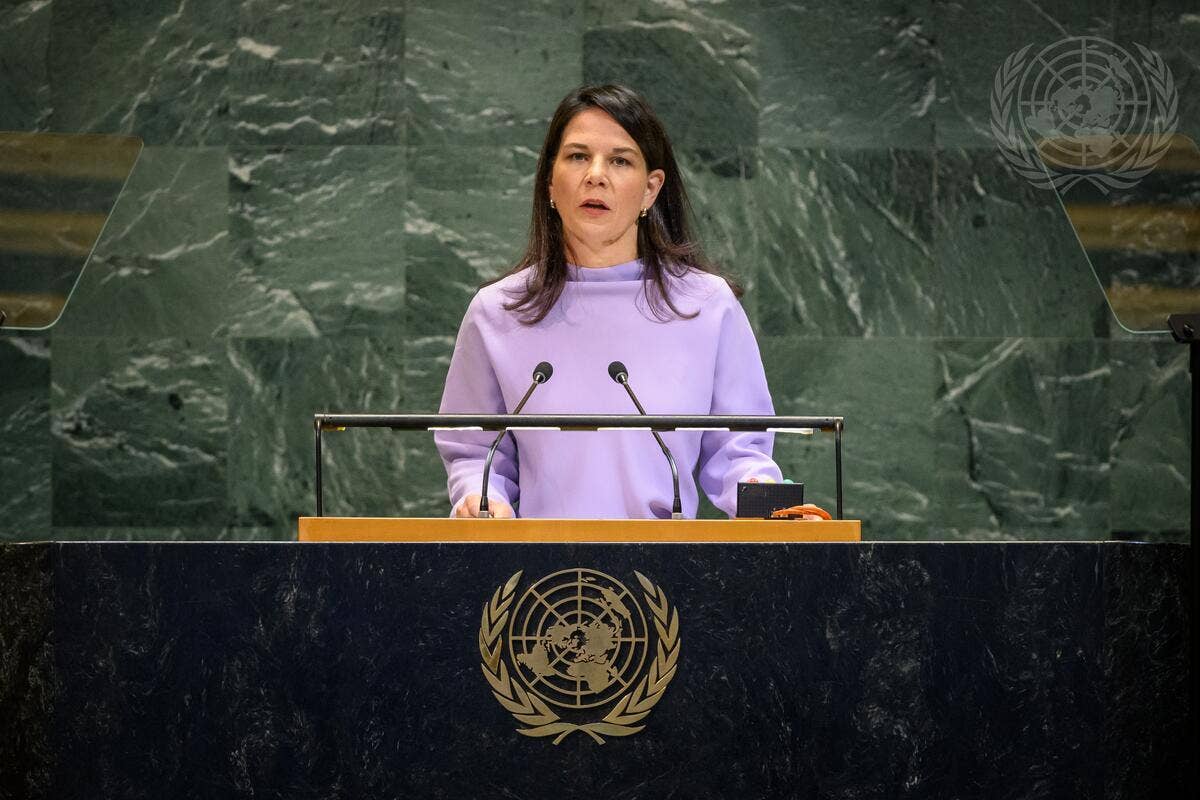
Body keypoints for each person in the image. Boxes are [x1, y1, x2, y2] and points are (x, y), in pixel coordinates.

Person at [436, 84, 782, 519]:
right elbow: (474, 452)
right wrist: (481, 500)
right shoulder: (498, 310)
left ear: (650, 190)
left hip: (667, 571)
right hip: (538, 577)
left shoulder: (706, 306)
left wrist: (768, 501)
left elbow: (739, 452)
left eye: (620, 160)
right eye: (578, 156)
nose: (595, 174)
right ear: (549, 182)